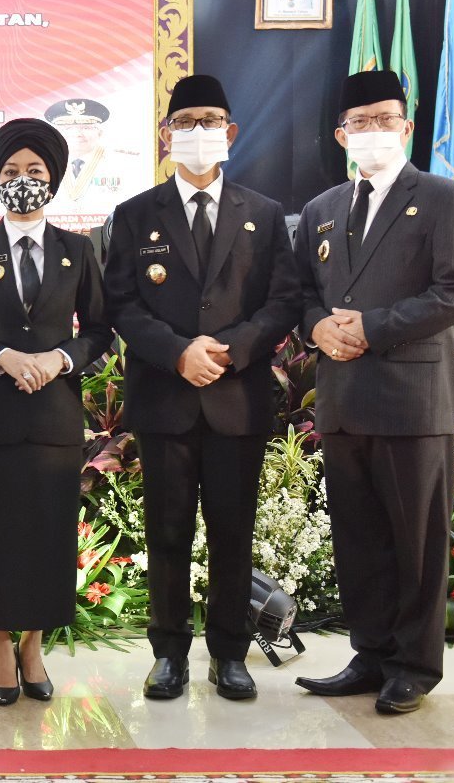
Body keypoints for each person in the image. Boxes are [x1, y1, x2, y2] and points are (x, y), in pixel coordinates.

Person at [103, 74, 301, 701]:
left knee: (232, 533)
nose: (198, 131)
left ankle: (229, 654)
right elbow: (121, 304)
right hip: (165, 399)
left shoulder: (263, 213)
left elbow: (283, 301)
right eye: (184, 122)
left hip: (235, 399)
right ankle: (168, 654)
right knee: (167, 534)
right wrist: (177, 352)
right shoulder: (135, 214)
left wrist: (230, 350)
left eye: (210, 120)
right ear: (166, 135)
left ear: (230, 132)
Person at [292, 70, 454, 714]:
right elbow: (301, 293)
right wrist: (317, 327)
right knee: (360, 540)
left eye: (385, 119)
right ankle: (370, 654)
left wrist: (371, 328)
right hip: (344, 398)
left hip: (411, 398)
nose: (373, 130)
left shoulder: (447, 198)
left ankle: (414, 666)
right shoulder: (321, 209)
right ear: (342, 134)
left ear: (408, 126)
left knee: (416, 543)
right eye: (360, 122)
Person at [0, 119, 112, 705]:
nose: (23, 180)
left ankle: (34, 647)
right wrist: (2, 357)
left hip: (54, 418)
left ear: (53, 179)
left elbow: (100, 330)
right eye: (11, 171)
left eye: (34, 171)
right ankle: (0, 651)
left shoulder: (77, 250)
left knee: (45, 536)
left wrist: (61, 359)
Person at [43, 98, 142, 229]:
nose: (77, 134)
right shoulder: (43, 164)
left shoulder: (124, 164)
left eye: (86, 127)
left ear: (100, 132)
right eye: (68, 128)